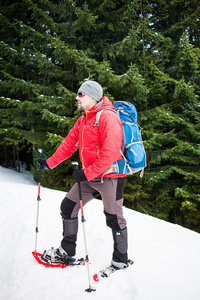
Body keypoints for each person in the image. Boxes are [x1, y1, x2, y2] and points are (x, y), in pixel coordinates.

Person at [37, 80, 128, 269]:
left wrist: (86, 174)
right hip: (90, 176)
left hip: (111, 177)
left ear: (92, 96)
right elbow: (69, 144)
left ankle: (121, 259)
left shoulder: (107, 117)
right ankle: (67, 252)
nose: (76, 97)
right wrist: (49, 164)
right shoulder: (84, 119)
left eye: (80, 94)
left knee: (114, 218)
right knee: (68, 207)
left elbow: (110, 153)